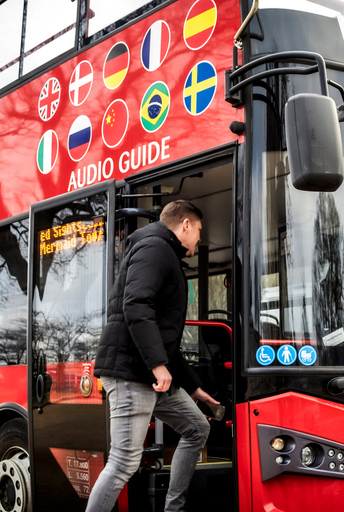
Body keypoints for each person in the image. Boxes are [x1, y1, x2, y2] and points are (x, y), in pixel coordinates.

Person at [87, 200, 219, 512]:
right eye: (198, 230)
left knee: (197, 427)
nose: (199, 238)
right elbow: (136, 305)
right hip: (133, 374)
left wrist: (194, 386)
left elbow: (165, 338)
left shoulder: (163, 252)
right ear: (185, 224)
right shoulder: (156, 248)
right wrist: (158, 366)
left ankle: (174, 508)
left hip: (148, 375)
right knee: (123, 463)